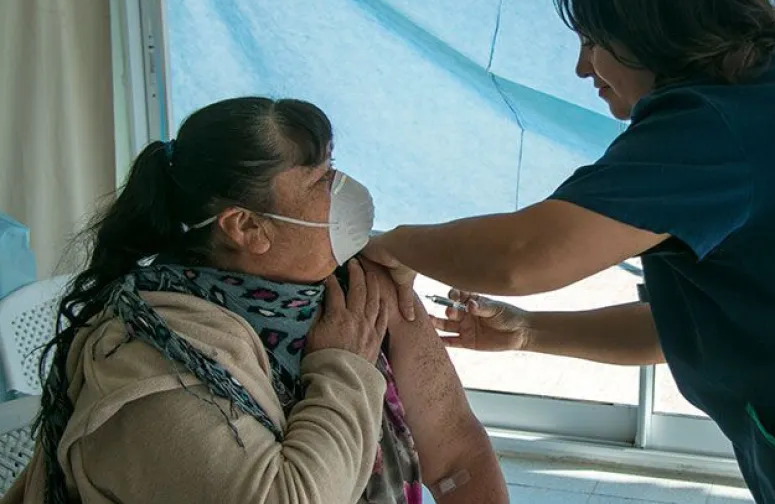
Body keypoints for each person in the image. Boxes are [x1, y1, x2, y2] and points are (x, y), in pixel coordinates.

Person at [362, 0, 775, 502]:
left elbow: (526, 254)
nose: (583, 67)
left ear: (652, 26)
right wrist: (531, 333)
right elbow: (692, 327)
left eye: (592, 41)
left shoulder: (722, 123)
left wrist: (393, 243)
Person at [3, 97, 507, 504]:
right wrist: (344, 367)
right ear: (246, 227)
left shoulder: (363, 288)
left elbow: (457, 453)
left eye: (335, 167)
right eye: (319, 180)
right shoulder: (149, 357)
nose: (344, 190)